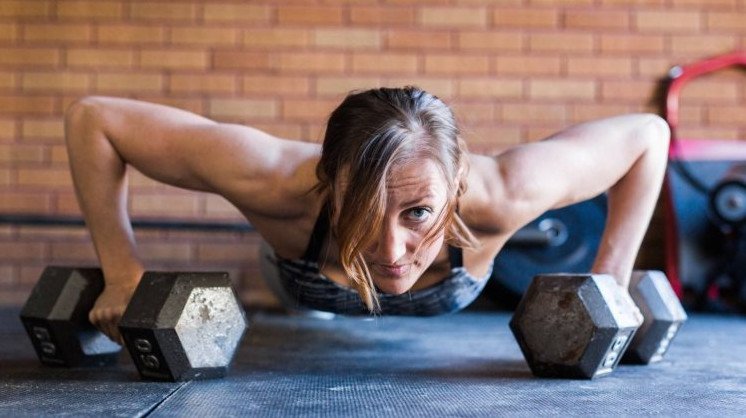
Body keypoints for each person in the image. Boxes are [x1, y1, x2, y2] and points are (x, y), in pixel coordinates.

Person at [64, 86, 670, 344]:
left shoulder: (506, 193)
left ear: (457, 187)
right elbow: (96, 120)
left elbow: (648, 135)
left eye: (419, 213)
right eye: (359, 210)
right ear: (328, 183)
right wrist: (122, 272)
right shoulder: (274, 181)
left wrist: (611, 279)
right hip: (295, 279)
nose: (389, 250)